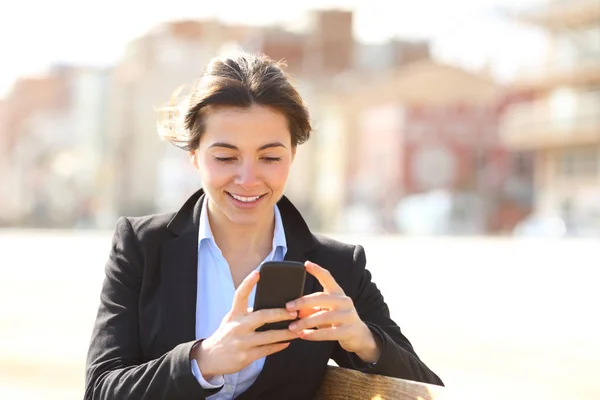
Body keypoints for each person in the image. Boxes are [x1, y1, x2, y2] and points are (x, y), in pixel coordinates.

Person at [85, 52, 443, 400]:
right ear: (194, 156)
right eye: (226, 157)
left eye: (270, 157)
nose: (248, 178)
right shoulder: (142, 246)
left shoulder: (336, 266)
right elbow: (100, 390)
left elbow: (428, 391)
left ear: (293, 155)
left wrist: (363, 340)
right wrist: (204, 360)